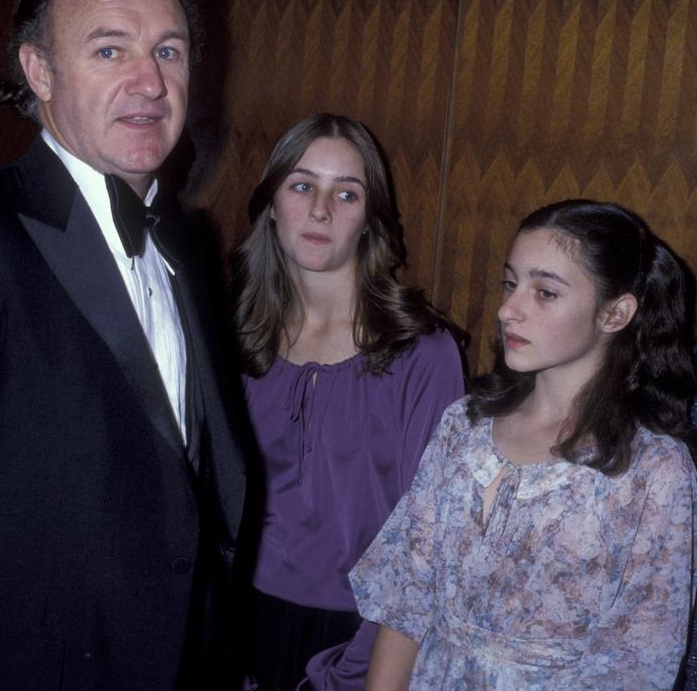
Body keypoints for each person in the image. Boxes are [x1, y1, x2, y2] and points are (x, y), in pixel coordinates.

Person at [0, 0, 245, 690]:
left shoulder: (190, 245)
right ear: (38, 70)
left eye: (169, 52)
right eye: (111, 51)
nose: (150, 83)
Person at [351, 199, 697, 690]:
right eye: (511, 284)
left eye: (546, 292)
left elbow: (634, 665)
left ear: (615, 313)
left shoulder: (655, 471)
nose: (508, 310)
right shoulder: (463, 426)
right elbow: (405, 601)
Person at [229, 113, 465, 690]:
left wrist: (360, 669)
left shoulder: (423, 354)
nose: (320, 210)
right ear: (271, 205)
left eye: (347, 193)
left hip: (365, 636)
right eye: (303, 185)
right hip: (237, 625)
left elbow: (429, 544)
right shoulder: (227, 337)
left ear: (370, 219)